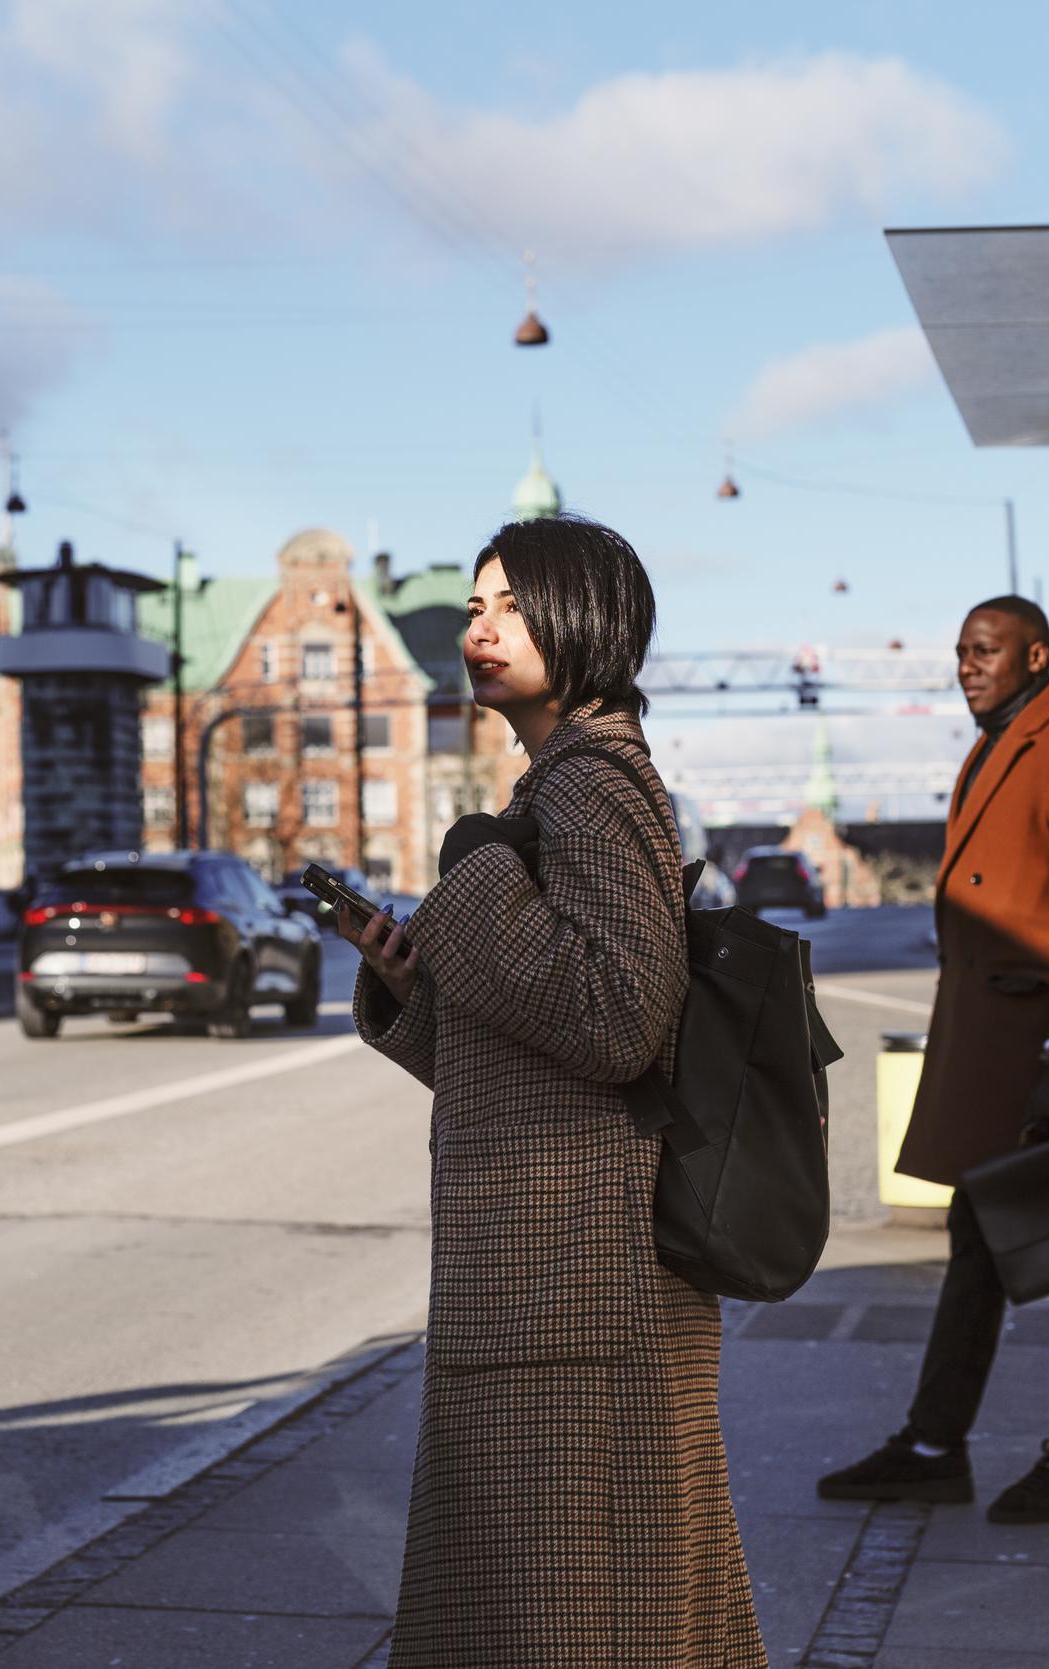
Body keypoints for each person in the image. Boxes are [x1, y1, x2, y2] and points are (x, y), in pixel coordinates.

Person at [340, 515, 764, 1668]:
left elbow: (621, 1019)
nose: (478, 628)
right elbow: (545, 1045)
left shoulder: (587, 783)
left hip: (581, 1280)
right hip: (555, 1268)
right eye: (474, 607)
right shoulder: (559, 781)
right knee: (569, 1607)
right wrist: (417, 983)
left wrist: (473, 870)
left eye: (509, 607)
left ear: (584, 618)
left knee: (576, 1618)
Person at [818, 595, 1049, 1524]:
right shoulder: (998, 745)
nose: (968, 664)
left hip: (1043, 1057)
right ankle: (935, 1443)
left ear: (1034, 653)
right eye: (960, 650)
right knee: (980, 1242)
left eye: (986, 649)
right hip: (995, 1051)